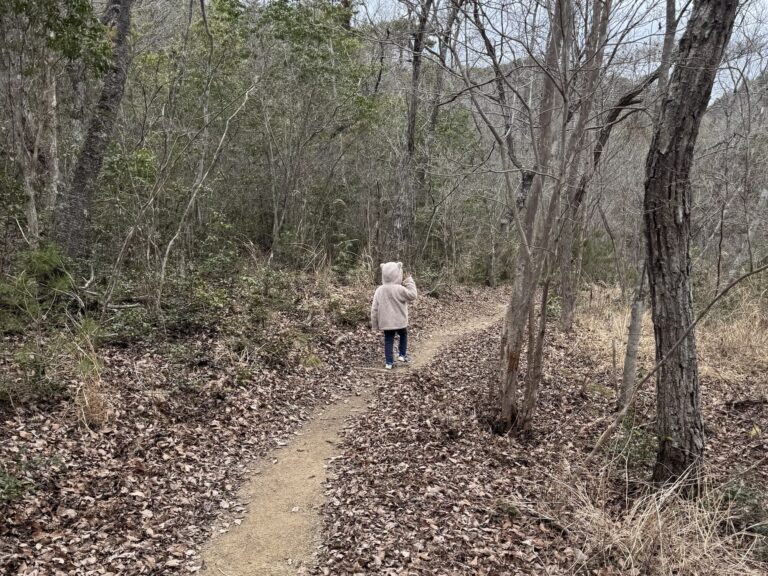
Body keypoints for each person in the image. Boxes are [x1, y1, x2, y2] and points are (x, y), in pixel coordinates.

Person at [370, 261, 418, 369]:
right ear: (398, 273)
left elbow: (374, 309)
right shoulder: (400, 289)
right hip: (400, 321)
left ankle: (389, 363)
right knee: (403, 335)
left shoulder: (379, 290)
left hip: (386, 322)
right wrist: (409, 280)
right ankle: (402, 355)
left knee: (388, 340)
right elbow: (413, 295)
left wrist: (374, 325)